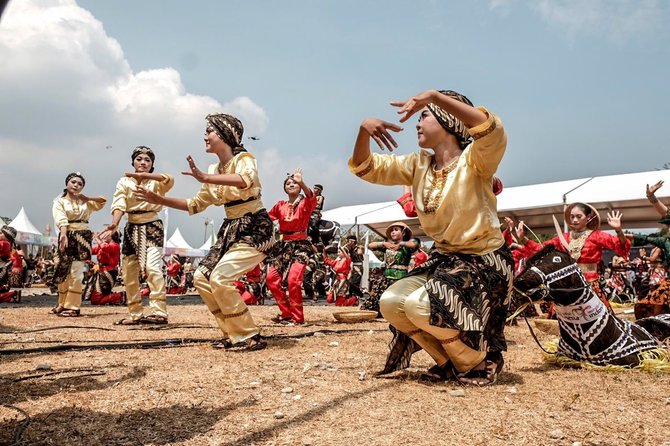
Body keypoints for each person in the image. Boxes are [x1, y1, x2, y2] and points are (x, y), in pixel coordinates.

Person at [349, 89, 513, 385]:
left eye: (424, 116)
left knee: (419, 306)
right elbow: (365, 168)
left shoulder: (476, 160)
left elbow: (491, 128)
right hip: (445, 261)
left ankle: (477, 362)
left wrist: (435, 97)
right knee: (391, 302)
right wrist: (363, 131)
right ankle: (448, 361)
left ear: (448, 121)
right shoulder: (418, 165)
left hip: (484, 262)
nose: (417, 122)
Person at [135, 113, 273, 351]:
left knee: (220, 278)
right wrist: (159, 199)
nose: (205, 136)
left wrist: (205, 176)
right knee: (201, 277)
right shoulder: (213, 168)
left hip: (254, 227)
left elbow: (244, 180)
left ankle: (249, 336)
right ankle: (233, 333)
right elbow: (195, 204)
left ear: (225, 134)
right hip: (230, 228)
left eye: (209, 131)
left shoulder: (244, 158)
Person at [101, 146, 174, 325]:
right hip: (131, 226)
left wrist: (145, 177)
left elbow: (170, 179)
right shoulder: (124, 182)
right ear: (133, 162)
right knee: (128, 271)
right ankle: (135, 314)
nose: (143, 162)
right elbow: (119, 202)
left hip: (152, 225)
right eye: (139, 159)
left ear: (152, 164)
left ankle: (159, 312)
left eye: (147, 160)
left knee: (153, 268)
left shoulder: (157, 182)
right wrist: (114, 223)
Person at [516, 202, 629, 316]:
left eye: (579, 217)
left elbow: (620, 246)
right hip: (568, 283)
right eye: (572, 217)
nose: (575, 220)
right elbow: (542, 249)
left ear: (588, 217)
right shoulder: (563, 238)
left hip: (589, 283)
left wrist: (618, 231)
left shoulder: (597, 236)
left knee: (598, 316)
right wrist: (524, 239)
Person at [51, 172, 107, 316]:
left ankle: (73, 307)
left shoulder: (86, 202)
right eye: (73, 182)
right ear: (67, 183)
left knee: (76, 271)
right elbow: (61, 218)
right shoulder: (60, 202)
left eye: (80, 184)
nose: (76, 185)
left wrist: (88, 198)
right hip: (67, 234)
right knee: (62, 270)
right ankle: (62, 303)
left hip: (82, 236)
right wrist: (63, 234)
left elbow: (103, 201)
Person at [266, 168, 317, 325]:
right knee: (271, 279)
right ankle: (286, 313)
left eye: (294, 182)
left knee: (293, 280)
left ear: (300, 186)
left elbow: (310, 195)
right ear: (284, 188)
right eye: (288, 183)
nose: (291, 184)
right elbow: (266, 220)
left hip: (301, 245)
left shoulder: (305, 203)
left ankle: (297, 318)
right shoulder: (280, 205)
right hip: (284, 246)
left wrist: (301, 181)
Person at [363, 222, 418, 314]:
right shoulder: (388, 246)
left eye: (396, 230)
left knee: (399, 300)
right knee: (376, 302)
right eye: (392, 230)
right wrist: (384, 243)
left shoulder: (408, 246)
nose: (393, 232)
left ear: (403, 233)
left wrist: (401, 244)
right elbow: (369, 246)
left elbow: (414, 244)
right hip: (386, 278)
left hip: (401, 277)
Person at [86, 231, 125, 306]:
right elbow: (91, 250)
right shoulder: (104, 246)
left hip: (108, 273)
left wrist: (97, 239)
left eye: (107, 234)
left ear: (111, 236)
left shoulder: (115, 246)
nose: (104, 235)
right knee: (95, 299)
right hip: (102, 272)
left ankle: (120, 296)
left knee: (97, 299)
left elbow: (104, 247)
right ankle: (115, 297)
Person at [0, 226, 21, 303]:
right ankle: (10, 294)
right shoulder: (11, 248)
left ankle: (13, 294)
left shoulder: (4, 244)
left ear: (7, 236)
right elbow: (17, 259)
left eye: (1, 233)